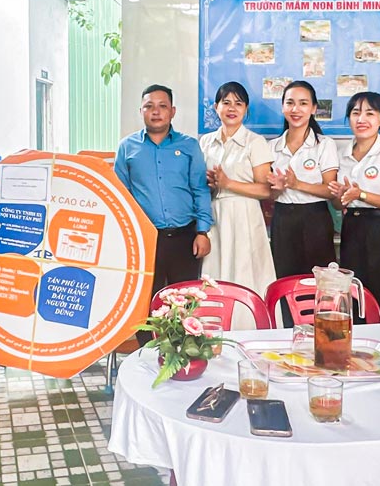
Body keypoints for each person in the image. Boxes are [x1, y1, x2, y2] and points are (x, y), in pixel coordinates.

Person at [115, 84, 213, 344]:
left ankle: (182, 355)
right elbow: (121, 196)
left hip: (185, 236)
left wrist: (202, 231)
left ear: (172, 111)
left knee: (185, 302)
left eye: (162, 106)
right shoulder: (127, 148)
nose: (155, 112)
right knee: (145, 302)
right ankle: (147, 358)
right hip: (146, 241)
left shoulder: (189, 146)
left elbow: (200, 189)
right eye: (149, 106)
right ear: (141, 111)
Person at [328, 92, 380, 320]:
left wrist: (361, 194)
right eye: (355, 113)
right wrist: (339, 195)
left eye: (369, 113)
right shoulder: (341, 153)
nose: (361, 119)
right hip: (352, 227)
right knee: (354, 293)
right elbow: (337, 204)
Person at [199, 81, 276, 296]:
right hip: (215, 216)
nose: (232, 108)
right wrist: (211, 185)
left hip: (245, 216)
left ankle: (250, 325)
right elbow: (200, 186)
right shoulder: (205, 142)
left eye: (238, 103)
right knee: (216, 273)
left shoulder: (255, 142)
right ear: (216, 107)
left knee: (247, 274)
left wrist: (228, 183)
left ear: (246, 109)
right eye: (226, 103)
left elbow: (265, 190)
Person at [267, 81, 339, 278]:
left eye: (303, 103)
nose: (295, 109)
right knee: (284, 278)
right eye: (290, 103)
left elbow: (330, 191)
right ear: (283, 107)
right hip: (282, 219)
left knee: (318, 281)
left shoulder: (324, 144)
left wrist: (297, 184)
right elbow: (270, 195)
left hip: (315, 219)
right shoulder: (271, 147)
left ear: (314, 108)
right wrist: (279, 189)